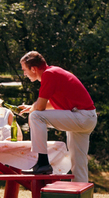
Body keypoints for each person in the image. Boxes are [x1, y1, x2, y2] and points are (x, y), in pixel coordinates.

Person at [19, 51, 97, 181]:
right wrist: (31, 107)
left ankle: (43, 163)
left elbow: (40, 107)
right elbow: (47, 103)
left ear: (33, 68)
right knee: (78, 163)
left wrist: (33, 108)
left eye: (24, 70)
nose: (24, 74)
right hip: (86, 117)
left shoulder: (49, 74)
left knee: (36, 116)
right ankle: (80, 197)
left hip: (81, 116)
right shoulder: (53, 72)